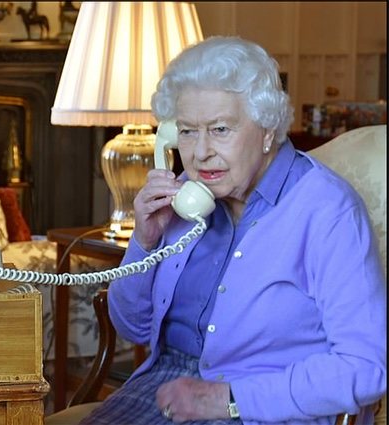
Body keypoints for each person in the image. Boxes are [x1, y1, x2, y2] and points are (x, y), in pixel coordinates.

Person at [80, 36, 386, 424]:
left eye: (220, 129)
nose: (201, 151)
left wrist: (229, 398)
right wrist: (144, 241)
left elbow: (366, 366)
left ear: (268, 131)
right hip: (165, 391)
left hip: (269, 405)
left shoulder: (328, 211)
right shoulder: (187, 202)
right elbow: (133, 328)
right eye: (188, 131)